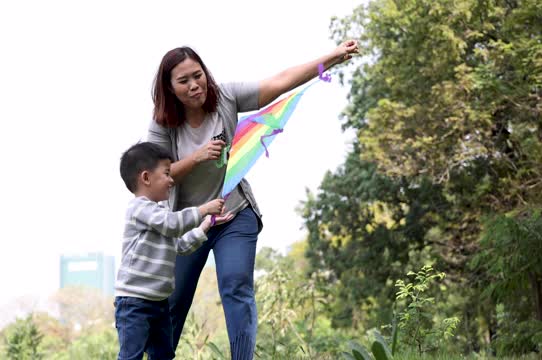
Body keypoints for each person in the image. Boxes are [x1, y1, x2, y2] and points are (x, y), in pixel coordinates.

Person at [147, 40, 359, 359]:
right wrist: (197, 157)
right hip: (188, 226)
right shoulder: (163, 125)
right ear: (170, 88)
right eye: (184, 80)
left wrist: (331, 57)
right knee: (173, 303)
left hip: (233, 214)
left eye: (198, 75)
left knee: (236, 285)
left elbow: (279, 81)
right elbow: (152, 180)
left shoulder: (226, 97)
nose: (194, 85)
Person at [114, 141, 226, 360]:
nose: (171, 179)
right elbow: (172, 224)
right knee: (131, 356)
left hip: (159, 303)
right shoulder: (139, 208)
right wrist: (204, 209)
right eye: (166, 173)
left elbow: (181, 245)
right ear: (146, 178)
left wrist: (206, 225)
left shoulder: (160, 213)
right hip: (134, 302)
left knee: (164, 355)